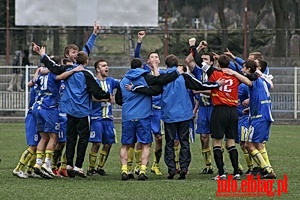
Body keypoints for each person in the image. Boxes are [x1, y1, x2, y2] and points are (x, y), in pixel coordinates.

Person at [189, 37, 252, 180]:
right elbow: (249, 81)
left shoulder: (214, 73)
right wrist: (236, 73)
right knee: (230, 142)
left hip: (219, 110)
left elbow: (198, 61)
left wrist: (193, 46)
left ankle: (222, 172)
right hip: (233, 111)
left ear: (217, 63)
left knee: (217, 141)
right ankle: (236, 172)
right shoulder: (235, 76)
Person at [115, 58, 182, 181]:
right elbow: (158, 88)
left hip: (128, 116)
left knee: (126, 145)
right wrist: (176, 73)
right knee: (146, 144)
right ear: (141, 67)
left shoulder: (123, 80)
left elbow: (118, 100)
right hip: (143, 116)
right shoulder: (145, 77)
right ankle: (142, 170)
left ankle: (124, 169)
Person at [159, 55, 223, 180]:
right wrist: (216, 84)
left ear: (166, 65)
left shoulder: (163, 77)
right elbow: (200, 85)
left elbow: (153, 88)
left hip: (168, 115)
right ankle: (184, 168)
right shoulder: (184, 77)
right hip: (184, 114)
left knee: (169, 142)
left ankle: (172, 169)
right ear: (177, 65)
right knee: (184, 142)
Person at [32, 47, 86, 178]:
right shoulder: (54, 75)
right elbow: (61, 76)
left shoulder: (41, 75)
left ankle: (38, 164)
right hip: (50, 108)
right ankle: (47, 164)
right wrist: (74, 70)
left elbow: (32, 82)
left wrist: (39, 68)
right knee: (54, 138)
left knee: (44, 137)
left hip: (38, 107)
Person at [133, 30, 164, 176]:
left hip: (158, 111)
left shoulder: (162, 73)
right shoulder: (144, 71)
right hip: (146, 110)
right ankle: (139, 165)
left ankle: (156, 164)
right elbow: (136, 57)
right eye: (151, 57)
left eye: (156, 57)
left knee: (159, 138)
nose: (154, 58)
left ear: (159, 61)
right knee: (143, 140)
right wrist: (139, 41)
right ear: (148, 61)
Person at [239, 60, 276, 179]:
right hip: (262, 115)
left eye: (243, 68)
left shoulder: (255, 80)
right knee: (258, 144)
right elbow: (269, 88)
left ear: (249, 69)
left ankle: (267, 169)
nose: (242, 69)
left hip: (259, 117)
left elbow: (248, 79)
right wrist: (250, 108)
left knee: (248, 145)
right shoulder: (263, 80)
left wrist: (234, 74)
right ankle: (266, 168)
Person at [87, 59, 119, 176]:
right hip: (96, 118)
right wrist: (107, 99)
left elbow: (123, 85)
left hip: (108, 118)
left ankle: (100, 167)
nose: (107, 67)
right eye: (104, 66)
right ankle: (91, 168)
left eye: (107, 65)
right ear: (97, 69)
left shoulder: (111, 81)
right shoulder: (93, 82)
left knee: (108, 143)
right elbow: (91, 97)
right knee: (96, 143)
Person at [185, 50, 214, 174]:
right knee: (203, 138)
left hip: (214, 108)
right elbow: (188, 61)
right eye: (201, 59)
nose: (203, 61)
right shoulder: (198, 71)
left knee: (217, 137)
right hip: (203, 109)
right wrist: (197, 47)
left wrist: (200, 90)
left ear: (212, 62)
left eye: (206, 59)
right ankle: (208, 165)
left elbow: (216, 90)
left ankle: (221, 165)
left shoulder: (215, 73)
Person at [12, 66, 42, 179]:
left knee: (39, 145)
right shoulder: (39, 84)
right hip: (33, 116)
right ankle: (18, 169)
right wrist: (37, 72)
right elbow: (31, 82)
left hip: (40, 116)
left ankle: (30, 170)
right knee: (34, 146)